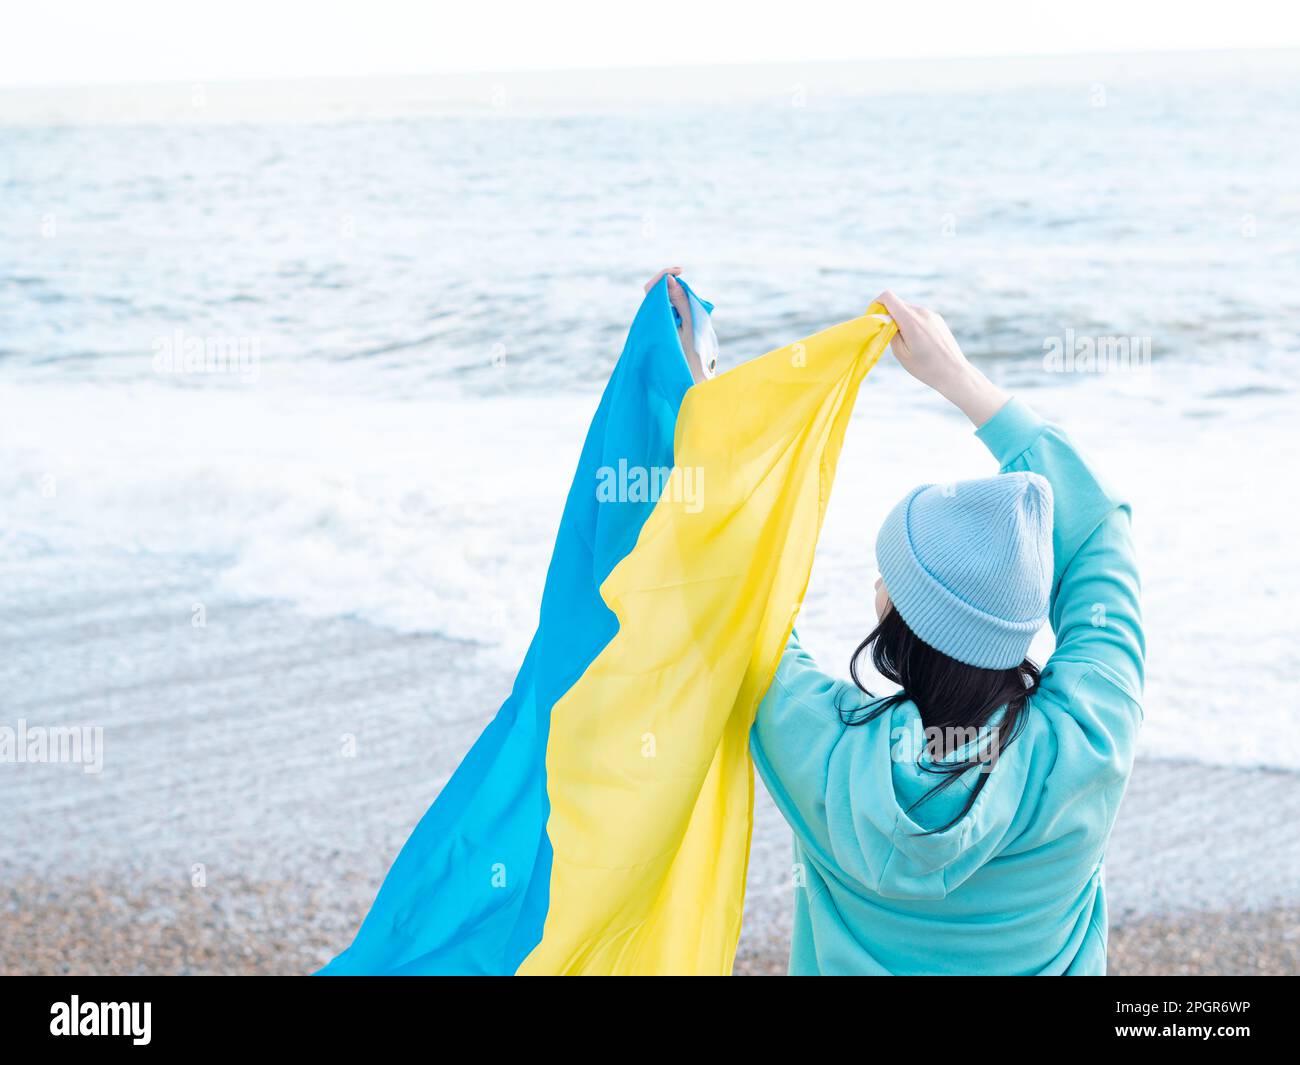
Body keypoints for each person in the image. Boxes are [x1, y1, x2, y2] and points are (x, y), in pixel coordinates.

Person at [647, 268, 1145, 975]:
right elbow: (1102, 537)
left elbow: (732, 586)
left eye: (893, 581)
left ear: (904, 626)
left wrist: (695, 388)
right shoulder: (1088, 741)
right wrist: (964, 382)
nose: (877, 583)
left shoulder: (827, 752)